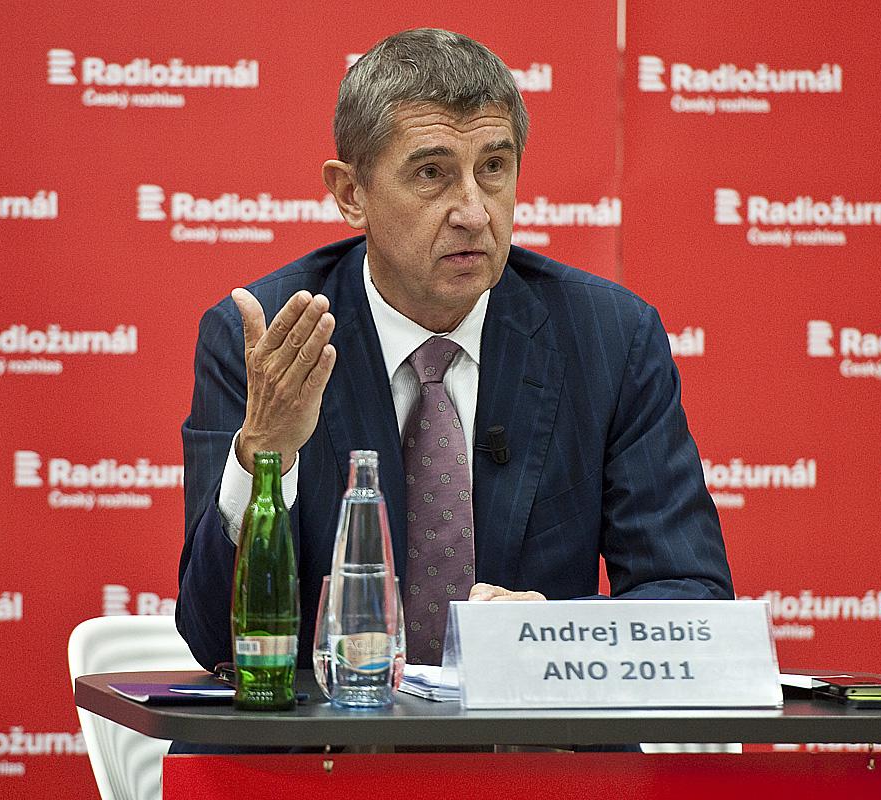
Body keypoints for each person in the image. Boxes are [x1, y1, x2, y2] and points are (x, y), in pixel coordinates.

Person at [175, 28, 732, 676]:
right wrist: (265, 455)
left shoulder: (608, 337)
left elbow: (694, 602)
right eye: (432, 174)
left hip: (527, 737)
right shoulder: (266, 340)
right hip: (332, 736)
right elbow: (213, 638)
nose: (474, 212)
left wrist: (550, 635)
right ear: (352, 194)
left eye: (493, 168)